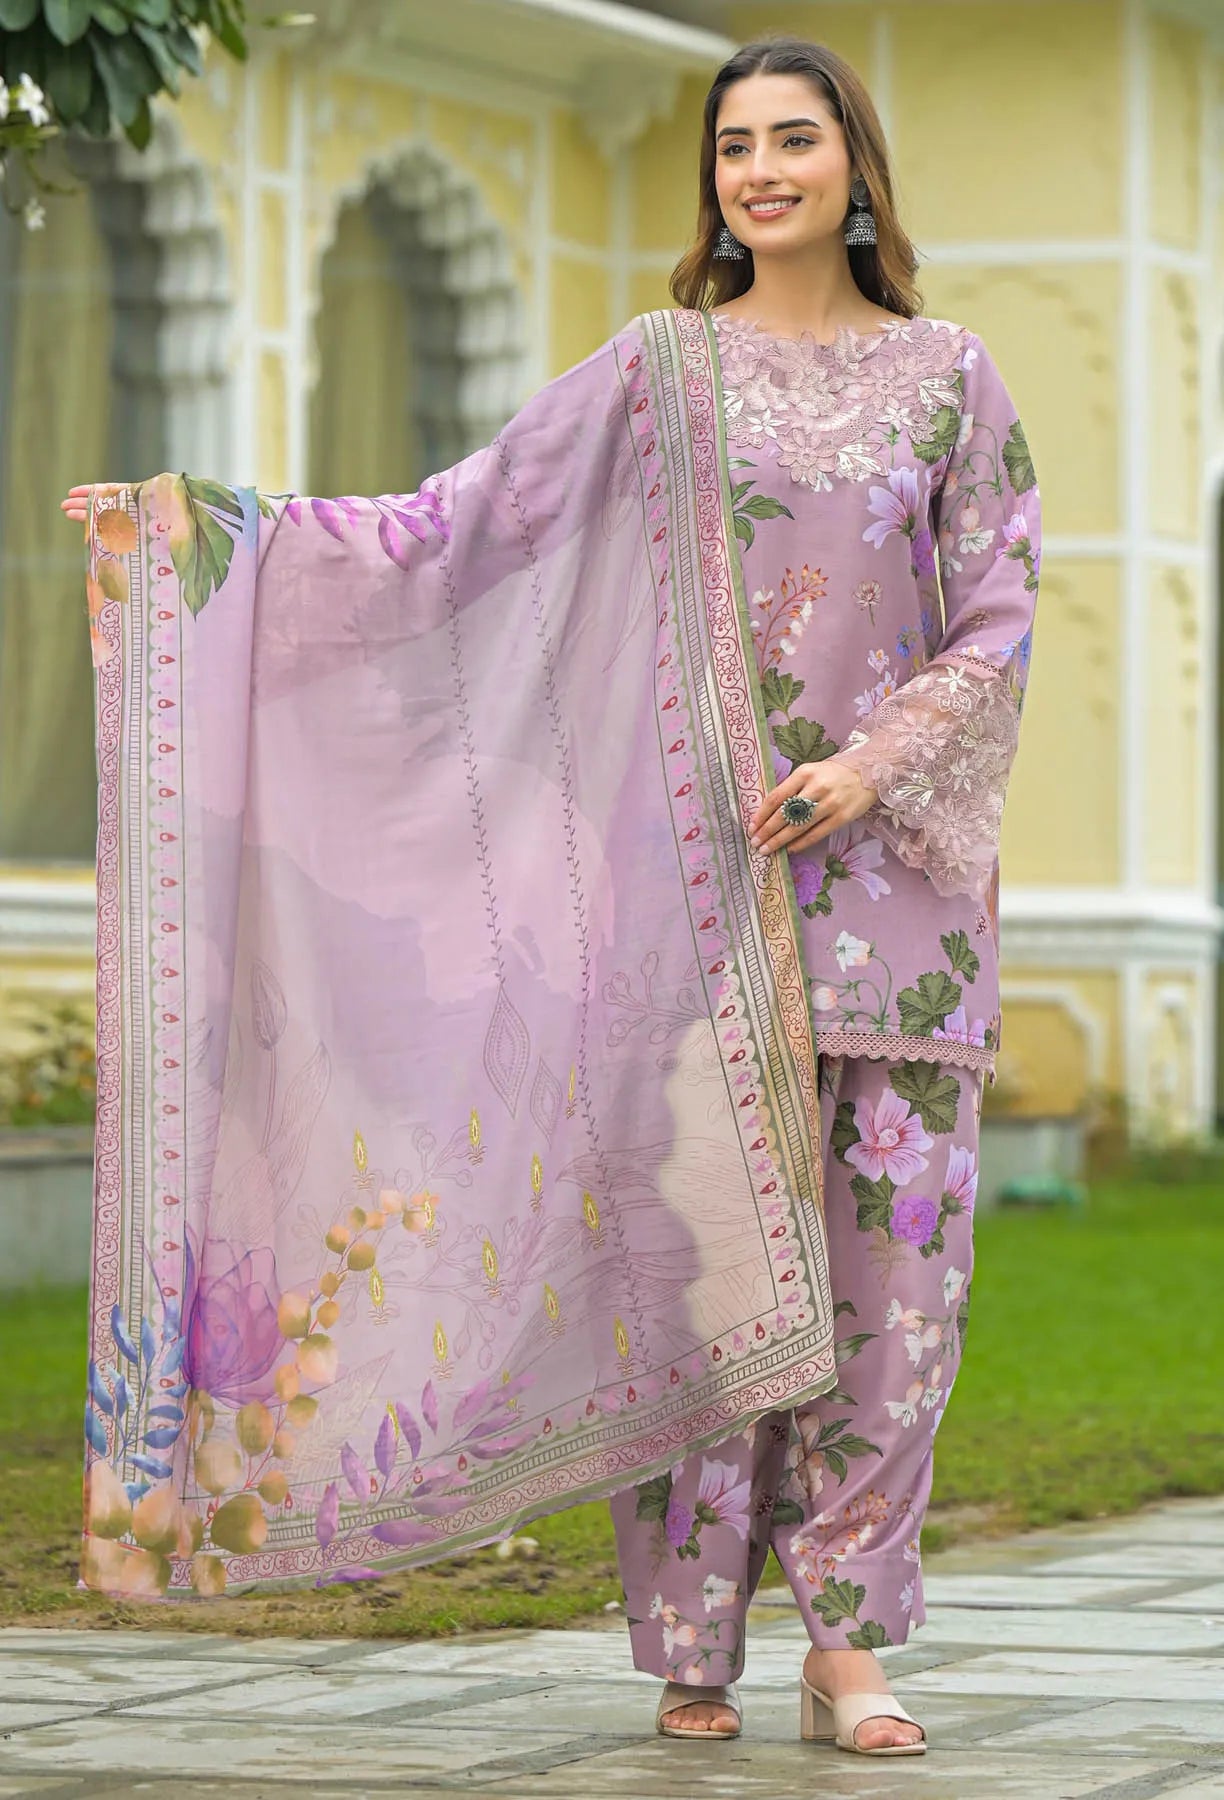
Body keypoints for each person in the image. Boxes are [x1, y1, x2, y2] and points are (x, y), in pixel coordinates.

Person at [62, 34, 1038, 1764]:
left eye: (793, 140)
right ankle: (692, 1644)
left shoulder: (953, 379)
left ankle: (850, 1645)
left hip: (897, 908)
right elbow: (461, 527)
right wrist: (207, 540)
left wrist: (870, 768)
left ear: (856, 167)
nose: (760, 171)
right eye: (735, 145)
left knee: (896, 1291)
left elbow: (996, 616)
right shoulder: (660, 372)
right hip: (688, 899)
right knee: (698, 1277)